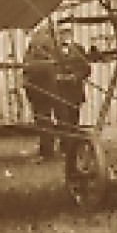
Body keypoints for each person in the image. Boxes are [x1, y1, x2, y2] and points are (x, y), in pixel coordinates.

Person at [24, 21, 90, 158]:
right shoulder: (47, 51)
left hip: (71, 91)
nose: (64, 36)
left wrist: (74, 77)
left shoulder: (77, 49)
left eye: (67, 32)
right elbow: (31, 69)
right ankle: (48, 150)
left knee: (69, 120)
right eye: (61, 33)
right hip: (52, 90)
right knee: (48, 120)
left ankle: (69, 148)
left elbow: (85, 68)